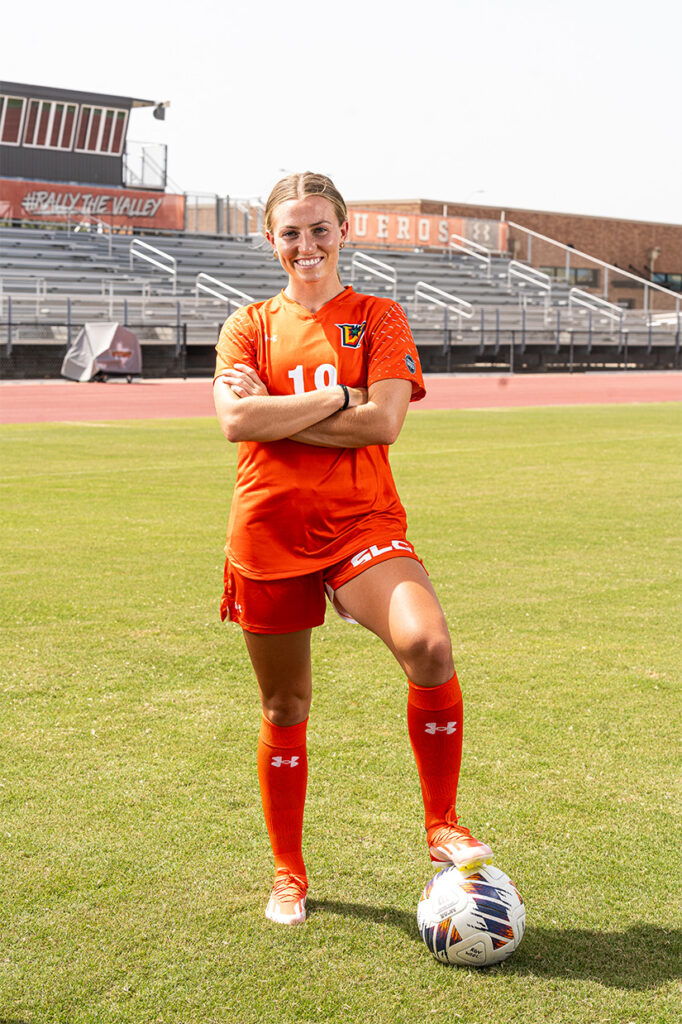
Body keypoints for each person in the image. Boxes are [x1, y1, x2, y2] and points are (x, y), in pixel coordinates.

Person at [213, 172, 492, 926]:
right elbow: (237, 423)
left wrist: (281, 414)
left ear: (343, 232)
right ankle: (288, 873)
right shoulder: (246, 326)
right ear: (271, 239)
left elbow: (384, 425)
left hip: (362, 523)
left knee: (429, 645)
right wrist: (341, 397)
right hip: (268, 531)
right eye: (291, 232)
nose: (306, 245)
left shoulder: (377, 317)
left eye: (319, 229)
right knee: (285, 703)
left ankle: (440, 824)